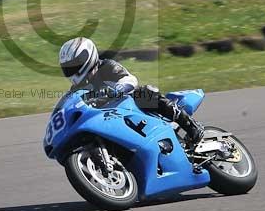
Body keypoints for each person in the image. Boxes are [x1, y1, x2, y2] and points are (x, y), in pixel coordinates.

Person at [58, 37, 204, 150]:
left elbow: (129, 80)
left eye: (75, 65)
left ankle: (191, 126)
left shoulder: (106, 66)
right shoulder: (76, 91)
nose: (72, 70)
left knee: (144, 92)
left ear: (86, 58)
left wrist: (115, 90)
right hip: (109, 120)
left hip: (130, 107)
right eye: (68, 68)